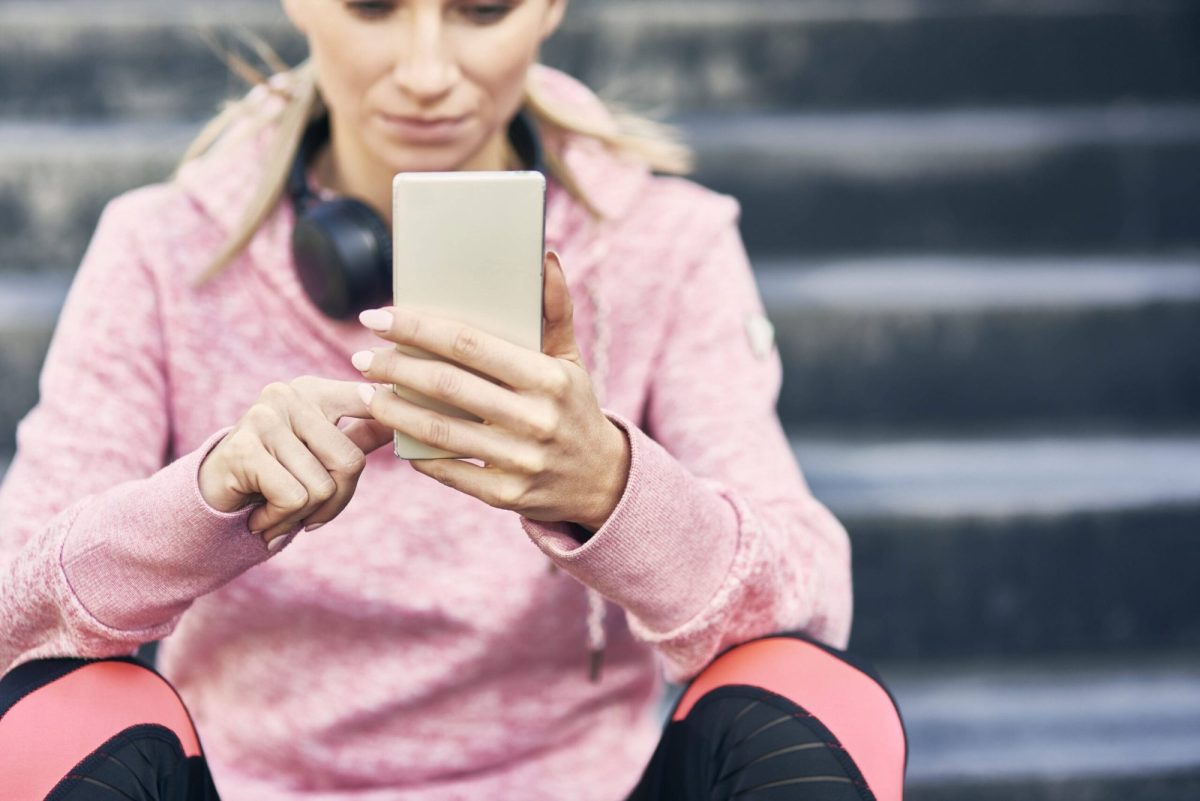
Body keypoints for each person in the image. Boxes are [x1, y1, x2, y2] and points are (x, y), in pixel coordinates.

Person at [0, 1, 906, 799]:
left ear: (549, 7)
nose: (427, 74)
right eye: (373, 7)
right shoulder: (159, 248)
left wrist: (612, 489)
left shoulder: (670, 241)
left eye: (480, 10)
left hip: (582, 784)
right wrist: (201, 502)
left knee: (804, 692)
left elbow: (810, 601)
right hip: (250, 787)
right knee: (63, 715)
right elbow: (12, 605)